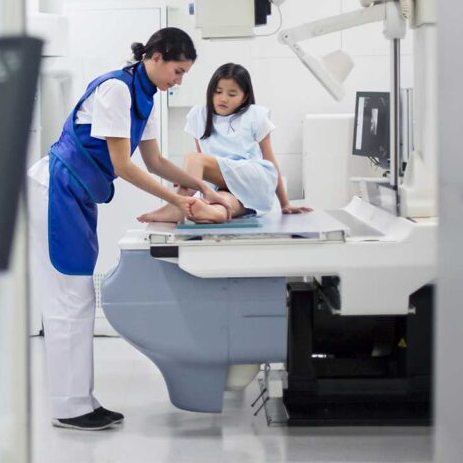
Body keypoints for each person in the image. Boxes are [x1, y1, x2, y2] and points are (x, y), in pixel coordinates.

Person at [26, 27, 233, 431]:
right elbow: (123, 166)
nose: (179, 81)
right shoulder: (116, 90)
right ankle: (69, 406)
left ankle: (81, 400)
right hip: (56, 189)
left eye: (184, 73)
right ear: (155, 57)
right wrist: (177, 201)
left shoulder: (145, 96)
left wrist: (203, 186)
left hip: (77, 193)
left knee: (77, 297)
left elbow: (155, 162)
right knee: (69, 297)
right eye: (177, 71)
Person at [138, 62, 311, 224]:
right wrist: (190, 178)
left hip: (253, 180)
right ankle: (211, 213)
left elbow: (270, 161)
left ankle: (177, 208)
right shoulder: (200, 116)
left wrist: (285, 203)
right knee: (220, 206)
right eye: (218, 92)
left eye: (232, 94)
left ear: (244, 97)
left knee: (194, 158)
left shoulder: (254, 115)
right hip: (224, 186)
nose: (223, 98)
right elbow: (203, 168)